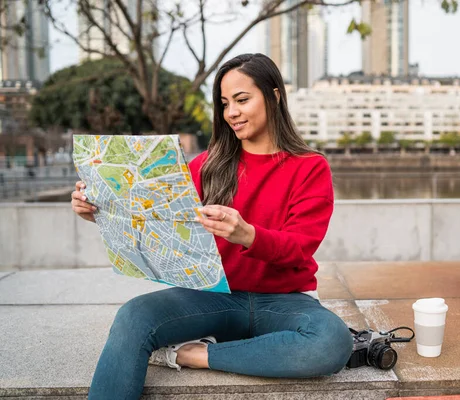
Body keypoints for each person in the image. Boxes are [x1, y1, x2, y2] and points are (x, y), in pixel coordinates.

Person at [71, 53, 353, 400]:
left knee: (332, 341)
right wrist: (99, 208)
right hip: (212, 298)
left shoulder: (310, 167)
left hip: (284, 302)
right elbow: (158, 218)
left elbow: (299, 248)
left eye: (242, 99)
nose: (231, 112)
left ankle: (197, 353)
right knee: (134, 315)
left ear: (275, 96)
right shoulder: (205, 165)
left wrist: (246, 234)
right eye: (224, 103)